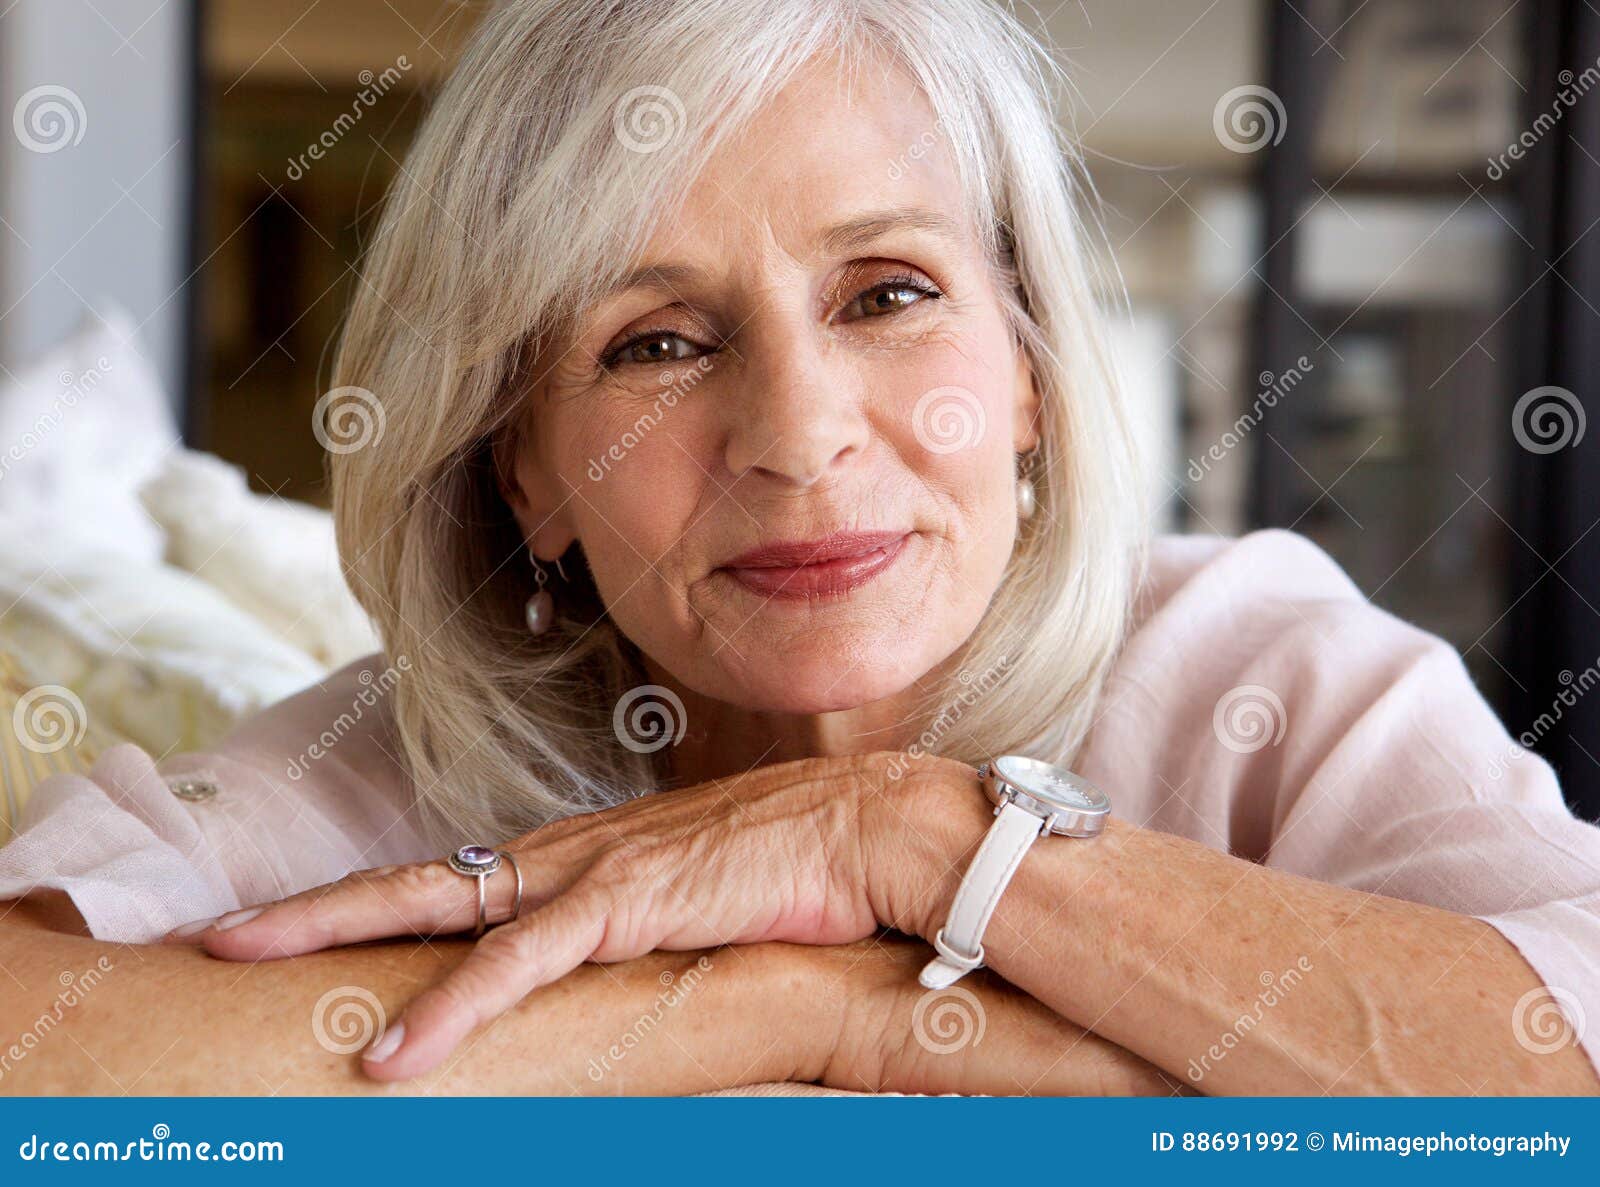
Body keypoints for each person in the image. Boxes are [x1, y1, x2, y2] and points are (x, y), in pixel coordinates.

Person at [2, 0, 1597, 1096]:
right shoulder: (385, 778)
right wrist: (788, 1004)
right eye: (656, 342)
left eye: (887, 294)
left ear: (1032, 373)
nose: (798, 433)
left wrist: (904, 840)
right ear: (527, 476)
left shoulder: (1251, 663)